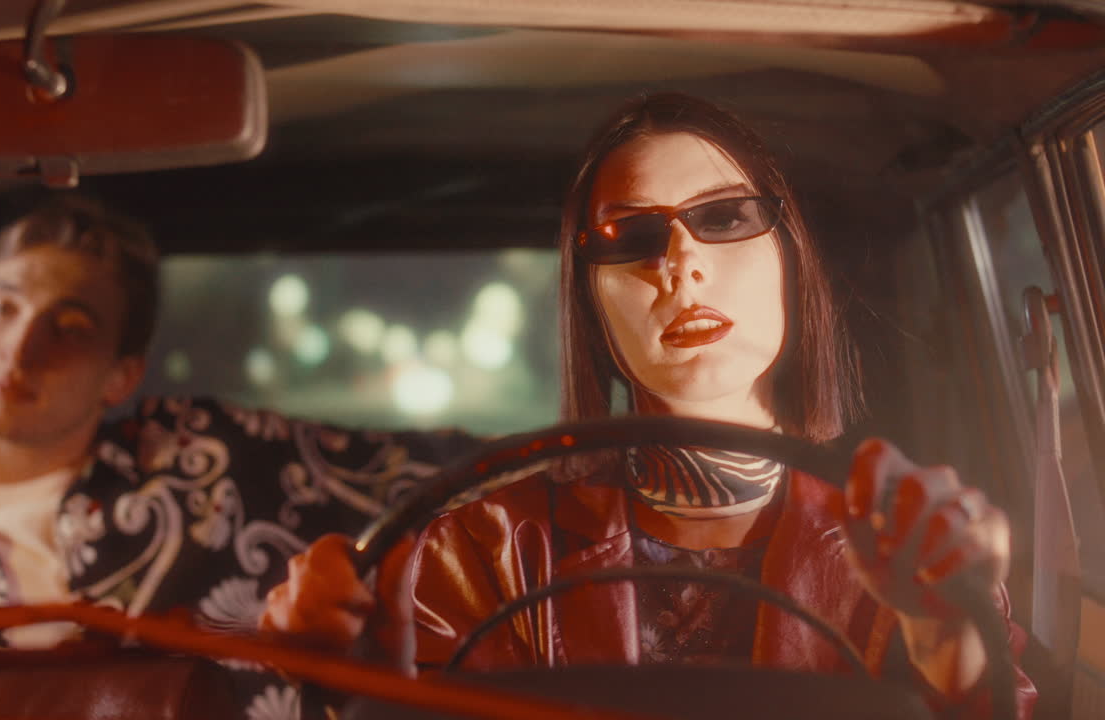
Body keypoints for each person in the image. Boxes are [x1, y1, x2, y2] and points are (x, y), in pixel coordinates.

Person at [260, 92, 1037, 717]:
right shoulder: (483, 548)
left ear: (791, 256)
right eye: (630, 234)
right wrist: (356, 699)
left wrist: (948, 635)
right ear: (589, 304)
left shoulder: (909, 543)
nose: (681, 262)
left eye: (724, 217)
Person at [0, 191, 474, 717]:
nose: (19, 348)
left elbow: (439, 477)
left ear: (121, 376)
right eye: (2, 308)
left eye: (69, 327)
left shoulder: (209, 458)